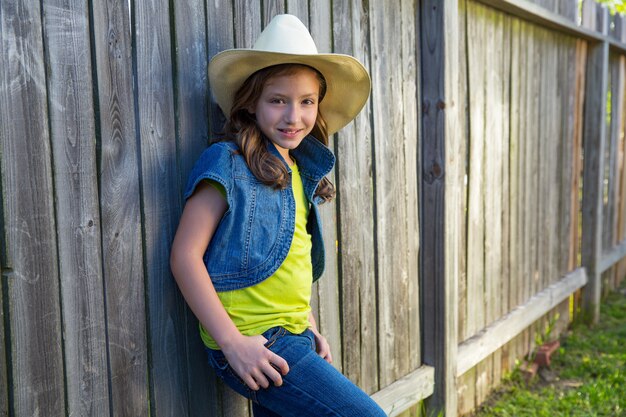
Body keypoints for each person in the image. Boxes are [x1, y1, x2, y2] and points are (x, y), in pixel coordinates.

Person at [170, 14, 385, 417]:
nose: (293, 116)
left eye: (306, 102)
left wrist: (310, 325)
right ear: (251, 102)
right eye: (277, 100)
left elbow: (288, 260)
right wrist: (233, 344)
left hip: (294, 338)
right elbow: (185, 256)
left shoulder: (303, 174)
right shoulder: (227, 163)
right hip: (251, 342)